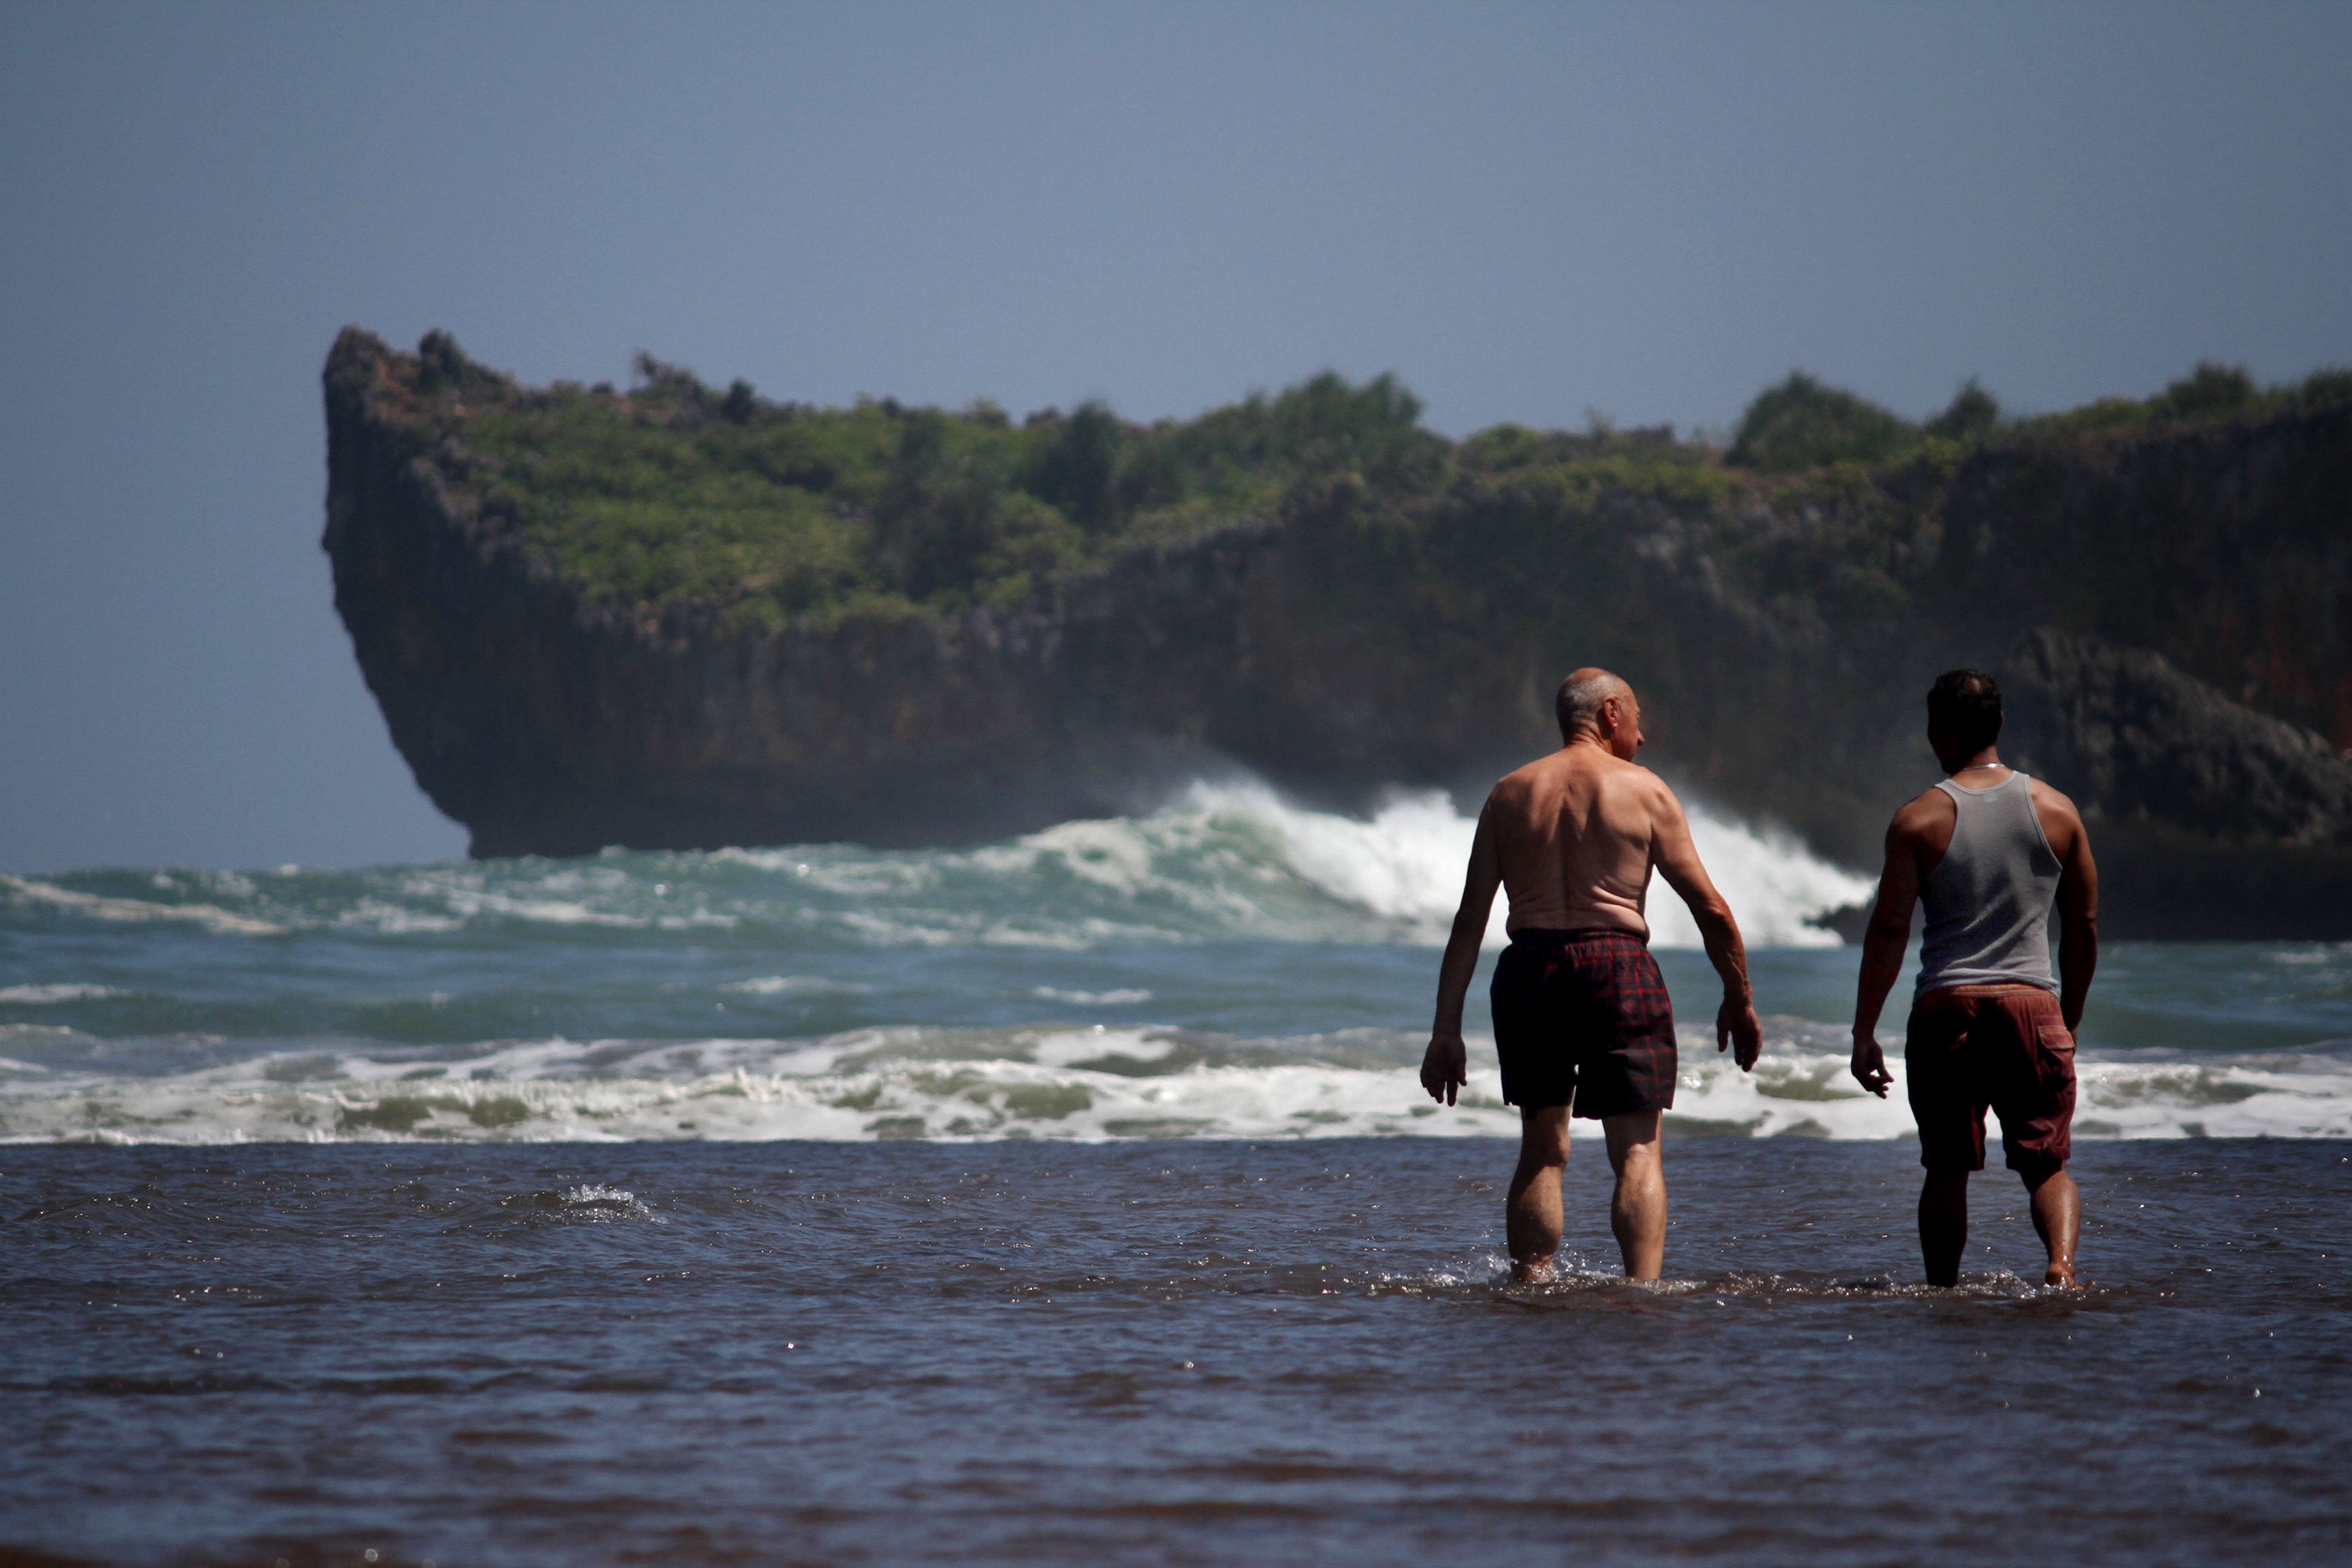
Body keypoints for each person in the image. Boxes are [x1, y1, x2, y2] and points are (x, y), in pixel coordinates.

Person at [1420, 668, 1763, 1282]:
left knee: (1541, 1151)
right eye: (1637, 720)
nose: (1642, 737)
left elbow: (1469, 921)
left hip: (1530, 968)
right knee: (1637, 1150)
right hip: (1617, 963)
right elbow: (1710, 908)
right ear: (1610, 712)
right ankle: (1642, 1290)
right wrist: (1739, 998)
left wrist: (1446, 1029)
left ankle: (1532, 1286)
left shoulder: (1508, 794)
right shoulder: (1645, 791)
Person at [1850, 668, 2099, 1288]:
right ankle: (2061, 1267)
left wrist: (1864, 1031)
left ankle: (1942, 1293)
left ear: (1937, 731)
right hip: (2031, 1003)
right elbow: (2083, 926)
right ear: (2000, 723)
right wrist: (2068, 1018)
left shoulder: (1919, 820)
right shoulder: (2058, 812)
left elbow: (1889, 931)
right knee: (2047, 1165)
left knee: (1947, 1169)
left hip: (1948, 1006)